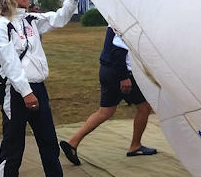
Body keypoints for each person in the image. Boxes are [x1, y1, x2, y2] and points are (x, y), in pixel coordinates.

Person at [0, 0, 86, 177]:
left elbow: (58, 19)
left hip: (38, 89)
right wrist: (26, 92)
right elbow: (9, 63)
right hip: (17, 91)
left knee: (49, 141)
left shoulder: (31, 19)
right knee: (14, 146)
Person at [60, 26, 156, 166]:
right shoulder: (123, 21)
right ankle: (135, 146)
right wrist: (123, 77)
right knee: (144, 107)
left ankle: (73, 142)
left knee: (105, 112)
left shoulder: (114, 19)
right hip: (120, 72)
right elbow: (118, 50)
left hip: (106, 70)